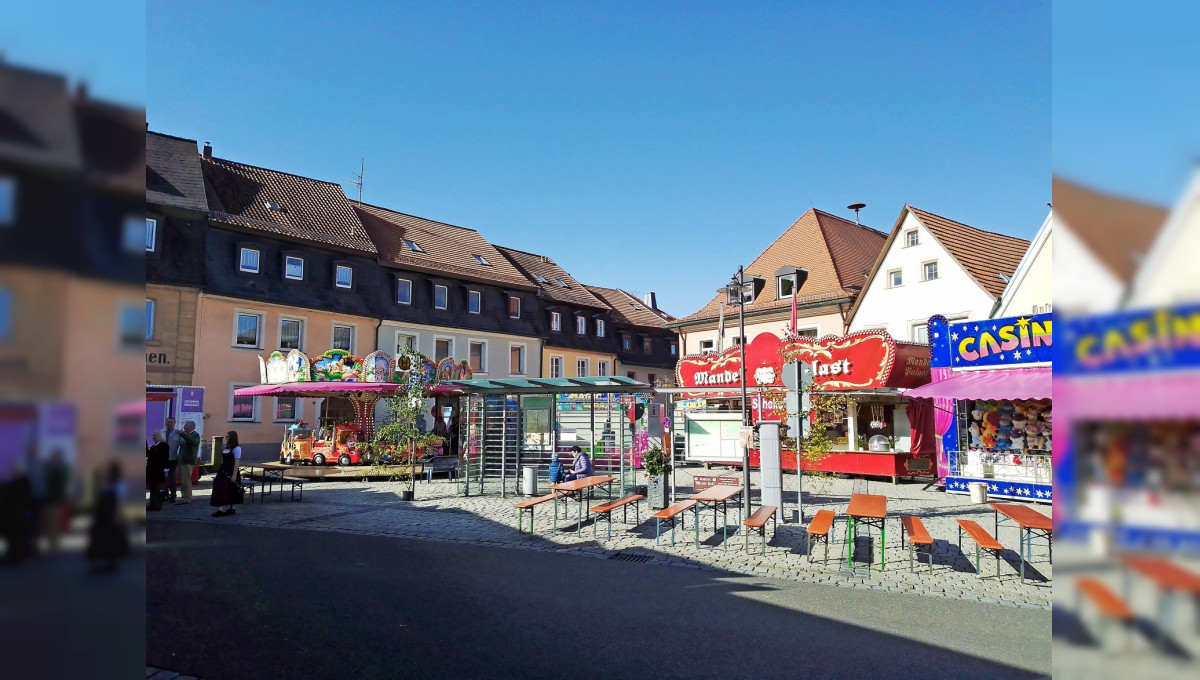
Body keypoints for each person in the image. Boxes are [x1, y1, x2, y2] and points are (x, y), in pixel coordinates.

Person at [86, 462, 129, 573]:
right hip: (103, 514)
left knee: (108, 538)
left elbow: (119, 502)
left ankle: (108, 562)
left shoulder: (118, 484)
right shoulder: (108, 483)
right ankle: (101, 563)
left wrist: (117, 516)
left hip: (108, 514)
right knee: (101, 538)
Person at [41, 450, 71, 551]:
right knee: (50, 522)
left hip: (55, 500)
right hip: (50, 499)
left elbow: (62, 482)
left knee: (54, 522)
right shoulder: (52, 469)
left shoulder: (61, 469)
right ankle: (52, 543)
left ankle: (55, 544)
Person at [211, 431, 244, 517]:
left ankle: (223, 509)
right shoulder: (226, 448)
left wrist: (234, 475)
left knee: (230, 489)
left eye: (228, 437)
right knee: (221, 488)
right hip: (223, 470)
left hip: (231, 471)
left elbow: (237, 462)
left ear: (232, 438)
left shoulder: (237, 448)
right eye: (226, 437)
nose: (226, 438)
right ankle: (229, 508)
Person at [174, 421, 201, 504]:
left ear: (192, 427)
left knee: (186, 480)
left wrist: (182, 434)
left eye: (186, 425)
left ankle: (187, 498)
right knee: (183, 480)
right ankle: (184, 496)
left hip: (188, 461)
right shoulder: (187, 435)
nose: (184, 427)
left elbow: (193, 442)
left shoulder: (195, 435)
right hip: (182, 460)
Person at [160, 417, 183, 502]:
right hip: (162, 459)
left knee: (172, 478)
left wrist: (179, 457)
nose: (169, 424)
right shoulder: (161, 432)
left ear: (174, 423)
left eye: (171, 422)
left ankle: (173, 495)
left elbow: (182, 446)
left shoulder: (178, 433)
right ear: (166, 423)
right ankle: (163, 494)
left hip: (173, 459)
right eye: (168, 422)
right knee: (162, 477)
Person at [146, 433, 169, 511]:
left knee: (158, 488)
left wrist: (166, 470)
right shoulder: (153, 447)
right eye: (153, 436)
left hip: (159, 471)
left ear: (161, 437)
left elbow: (166, 459)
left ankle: (157, 505)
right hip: (152, 471)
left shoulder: (164, 446)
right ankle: (152, 504)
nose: (154, 437)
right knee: (152, 489)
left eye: (156, 436)